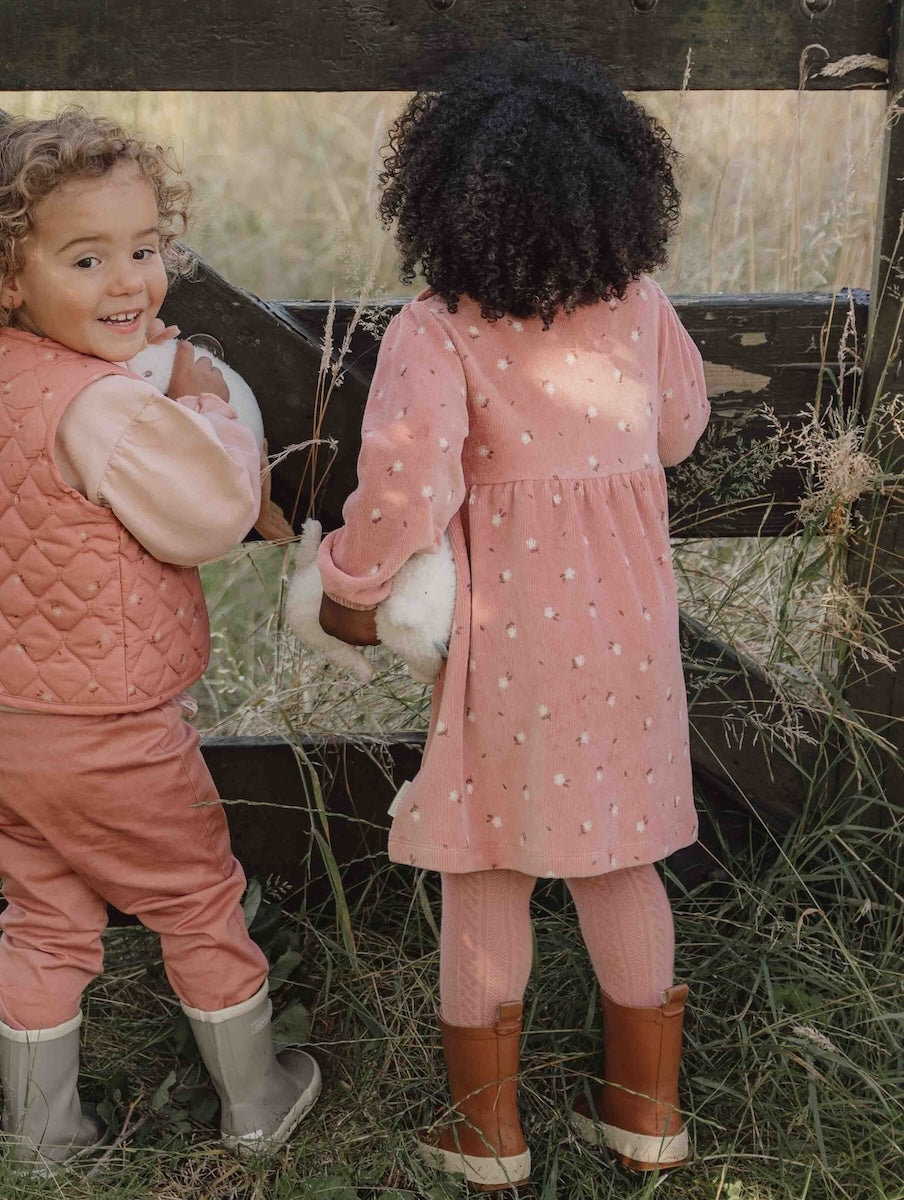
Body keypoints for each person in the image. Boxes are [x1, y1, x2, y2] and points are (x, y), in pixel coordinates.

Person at [0, 109, 319, 1168]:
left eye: (145, 249)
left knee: (41, 917)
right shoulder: (107, 412)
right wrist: (210, 399)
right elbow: (215, 508)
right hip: (107, 733)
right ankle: (258, 1099)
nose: (129, 280)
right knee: (195, 900)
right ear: (5, 276)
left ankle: (44, 1137)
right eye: (88, 258)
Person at [316, 44, 708, 1189]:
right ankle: (647, 1115)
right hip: (632, 639)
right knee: (622, 859)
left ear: (437, 201)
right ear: (620, 197)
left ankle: (486, 1135)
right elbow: (679, 428)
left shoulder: (436, 332)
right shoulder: (638, 309)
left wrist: (348, 587)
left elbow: (404, 490)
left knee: (485, 866)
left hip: (511, 650)